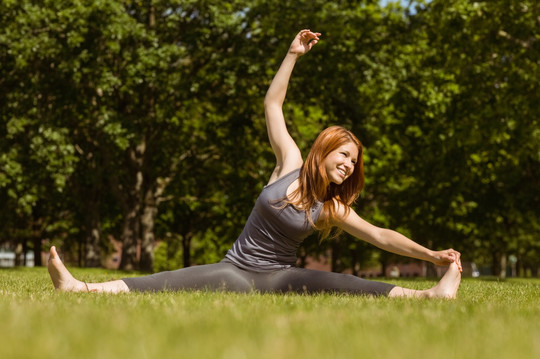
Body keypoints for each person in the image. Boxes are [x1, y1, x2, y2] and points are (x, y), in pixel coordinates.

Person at [48, 29, 462, 298]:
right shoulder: (290, 163)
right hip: (235, 270)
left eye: (355, 163)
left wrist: (430, 256)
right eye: (345, 156)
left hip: (281, 280)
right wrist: (292, 54)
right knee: (165, 281)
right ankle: (78, 287)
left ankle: (431, 295)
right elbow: (273, 104)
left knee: (344, 284)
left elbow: (380, 237)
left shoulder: (331, 208)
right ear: (325, 149)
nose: (350, 166)